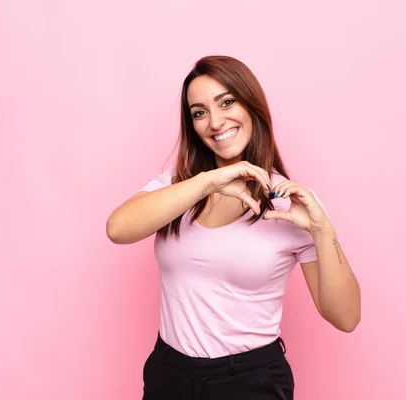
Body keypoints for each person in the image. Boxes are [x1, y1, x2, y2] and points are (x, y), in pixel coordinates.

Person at [106, 55, 361, 400]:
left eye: (227, 102)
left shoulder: (293, 203)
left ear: (251, 105)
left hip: (248, 381)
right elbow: (118, 229)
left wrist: (323, 231)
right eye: (199, 112)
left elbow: (345, 317)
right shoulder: (176, 187)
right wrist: (208, 181)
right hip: (169, 374)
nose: (215, 121)